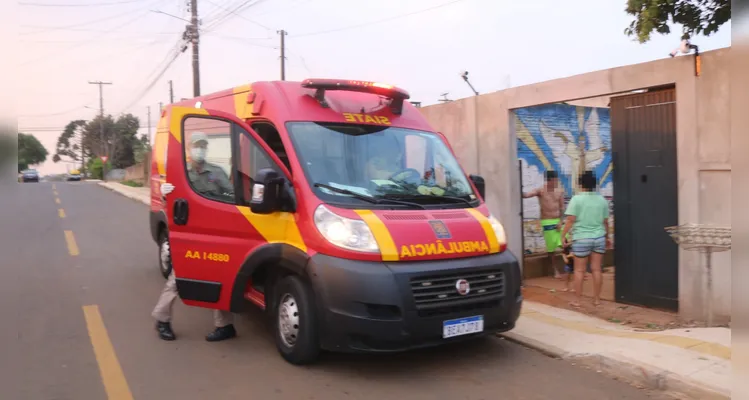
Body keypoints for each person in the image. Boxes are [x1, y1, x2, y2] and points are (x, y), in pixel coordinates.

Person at [151, 131, 237, 342]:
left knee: (218, 277)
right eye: (197, 145)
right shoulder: (180, 174)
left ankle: (224, 325)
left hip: (215, 233)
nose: (200, 149)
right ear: (188, 149)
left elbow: (231, 196)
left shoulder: (216, 172)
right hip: (189, 234)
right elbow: (169, 205)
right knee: (179, 277)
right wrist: (164, 194)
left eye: (203, 146)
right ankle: (162, 319)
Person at [561, 170, 611, 307]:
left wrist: (563, 235)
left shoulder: (576, 199)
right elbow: (606, 222)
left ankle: (577, 300)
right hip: (599, 237)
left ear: (580, 184)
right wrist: (607, 237)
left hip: (581, 238)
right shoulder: (602, 200)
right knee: (596, 269)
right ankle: (596, 299)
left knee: (579, 270)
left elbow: (570, 220)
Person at [523, 170, 566, 278]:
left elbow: (562, 208)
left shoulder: (559, 191)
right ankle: (555, 270)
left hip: (558, 221)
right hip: (547, 221)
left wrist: (561, 221)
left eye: (557, 180)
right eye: (555, 180)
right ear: (549, 181)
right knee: (551, 249)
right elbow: (527, 195)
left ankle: (571, 268)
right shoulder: (541, 190)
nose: (556, 182)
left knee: (566, 244)